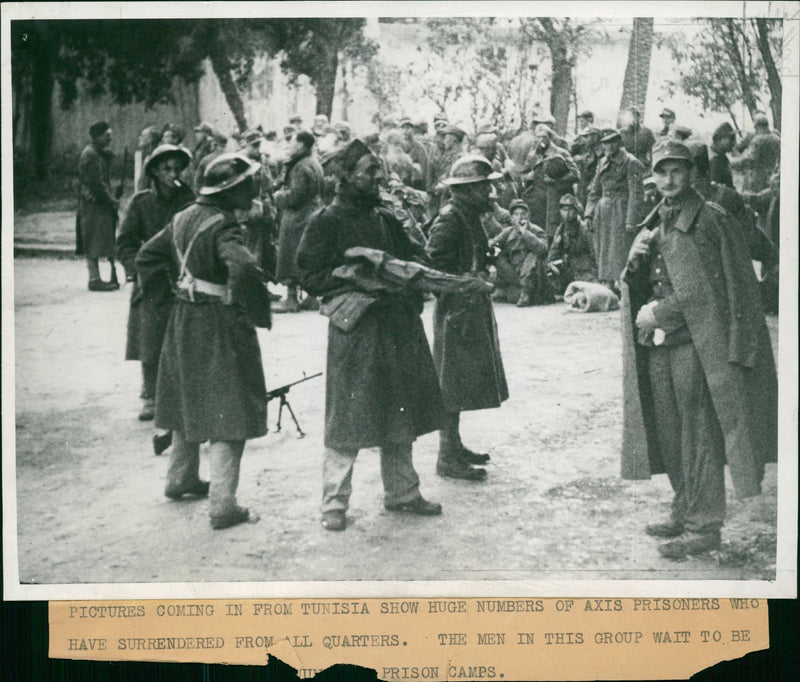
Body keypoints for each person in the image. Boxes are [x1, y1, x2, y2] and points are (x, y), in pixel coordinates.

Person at [620, 140, 777, 559]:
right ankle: (683, 508)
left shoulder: (709, 219)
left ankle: (704, 526)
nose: (668, 180)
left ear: (692, 174)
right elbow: (649, 279)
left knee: (699, 435)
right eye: (661, 171)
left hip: (698, 348)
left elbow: (711, 295)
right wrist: (633, 260)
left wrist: (661, 314)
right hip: (661, 345)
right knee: (671, 433)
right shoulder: (657, 218)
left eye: (677, 171)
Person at [295, 139, 445, 532]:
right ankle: (334, 504)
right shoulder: (325, 221)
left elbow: (415, 259)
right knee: (348, 416)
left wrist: (412, 266)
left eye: (378, 169)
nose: (378, 176)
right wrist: (352, 275)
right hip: (357, 331)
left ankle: (403, 492)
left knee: (400, 410)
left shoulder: (386, 216)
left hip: (397, 326)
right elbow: (308, 275)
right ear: (345, 178)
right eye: (369, 171)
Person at [135, 153, 273, 530]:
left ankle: (180, 479)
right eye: (247, 184)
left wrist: (173, 296)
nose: (252, 189)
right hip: (217, 322)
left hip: (183, 320)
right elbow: (243, 268)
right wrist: (255, 310)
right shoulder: (223, 225)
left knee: (185, 398)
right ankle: (223, 506)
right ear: (229, 190)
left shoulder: (182, 216)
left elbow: (147, 256)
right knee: (230, 410)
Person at [426, 155, 509, 481]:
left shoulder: (468, 215)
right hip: (457, 312)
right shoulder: (449, 219)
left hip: (470, 307)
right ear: (468, 189)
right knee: (451, 384)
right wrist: (463, 285)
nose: (490, 192)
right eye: (484, 186)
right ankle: (446, 457)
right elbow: (432, 269)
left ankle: (454, 445)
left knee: (460, 383)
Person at [116, 144, 195, 423]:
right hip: (150, 280)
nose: (173, 174)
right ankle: (150, 395)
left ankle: (181, 394)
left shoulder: (188, 199)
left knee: (184, 337)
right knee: (150, 339)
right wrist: (135, 269)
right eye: (166, 169)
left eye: (177, 168)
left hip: (183, 278)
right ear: (154, 172)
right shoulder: (141, 202)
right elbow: (124, 242)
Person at [584, 129, 644, 289]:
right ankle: (607, 282)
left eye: (611, 142)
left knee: (620, 249)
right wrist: (588, 214)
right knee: (604, 249)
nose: (608, 146)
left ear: (619, 142)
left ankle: (623, 285)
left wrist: (631, 220)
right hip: (603, 212)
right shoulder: (602, 162)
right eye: (605, 143)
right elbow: (595, 190)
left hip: (621, 210)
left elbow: (636, 194)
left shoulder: (631, 162)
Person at [274, 130, 324, 313]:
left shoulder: (300, 166)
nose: (289, 145)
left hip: (297, 218)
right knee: (309, 256)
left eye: (293, 142)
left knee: (290, 255)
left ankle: (292, 299)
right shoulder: (313, 162)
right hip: (313, 213)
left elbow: (295, 196)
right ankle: (312, 298)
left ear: (302, 145)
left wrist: (278, 196)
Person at [76, 121, 121, 291]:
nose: (110, 139)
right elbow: (96, 184)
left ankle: (96, 278)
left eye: (110, 136)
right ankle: (94, 279)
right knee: (93, 240)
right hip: (94, 204)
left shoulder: (96, 153)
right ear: (96, 137)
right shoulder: (91, 155)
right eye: (106, 136)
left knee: (96, 239)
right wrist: (111, 201)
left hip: (95, 203)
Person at [520, 124, 579, 240]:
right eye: (538, 137)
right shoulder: (533, 155)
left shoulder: (561, 153)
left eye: (544, 137)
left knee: (557, 234)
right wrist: (528, 177)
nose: (541, 140)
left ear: (550, 138)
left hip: (556, 199)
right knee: (538, 233)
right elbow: (522, 174)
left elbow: (576, 175)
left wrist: (556, 181)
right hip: (537, 202)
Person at [490, 199, 551, 306]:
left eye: (523, 214)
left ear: (528, 216)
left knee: (533, 255)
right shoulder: (507, 232)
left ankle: (525, 292)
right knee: (496, 256)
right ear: (512, 218)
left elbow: (543, 250)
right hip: (515, 277)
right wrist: (491, 264)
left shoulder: (537, 231)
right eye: (516, 214)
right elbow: (491, 246)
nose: (520, 217)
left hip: (535, 277)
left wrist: (525, 233)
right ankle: (518, 291)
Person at [546, 193, 597, 294]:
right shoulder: (561, 229)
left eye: (570, 210)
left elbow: (594, 252)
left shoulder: (584, 229)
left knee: (591, 289)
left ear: (576, 211)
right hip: (569, 268)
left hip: (584, 269)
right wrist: (551, 265)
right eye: (564, 210)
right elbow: (553, 252)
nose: (567, 213)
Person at [730, 112, 781, 193]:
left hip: (757, 180)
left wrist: (733, 163)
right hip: (772, 178)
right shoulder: (777, 139)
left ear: (757, 126)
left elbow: (750, 160)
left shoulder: (758, 140)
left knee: (751, 201)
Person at [709, 122, 736, 188]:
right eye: (731, 139)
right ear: (718, 140)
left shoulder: (722, 157)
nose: (733, 143)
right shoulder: (714, 159)